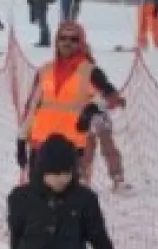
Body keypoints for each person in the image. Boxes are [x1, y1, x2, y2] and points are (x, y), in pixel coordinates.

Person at [17, 21, 123, 180]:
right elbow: (31, 108)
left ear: (81, 43)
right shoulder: (44, 70)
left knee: (69, 200)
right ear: (56, 41)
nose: (67, 43)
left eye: (73, 39)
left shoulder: (91, 71)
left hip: (73, 147)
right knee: (37, 199)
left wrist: (93, 108)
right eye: (63, 38)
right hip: (40, 145)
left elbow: (114, 98)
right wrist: (21, 139)